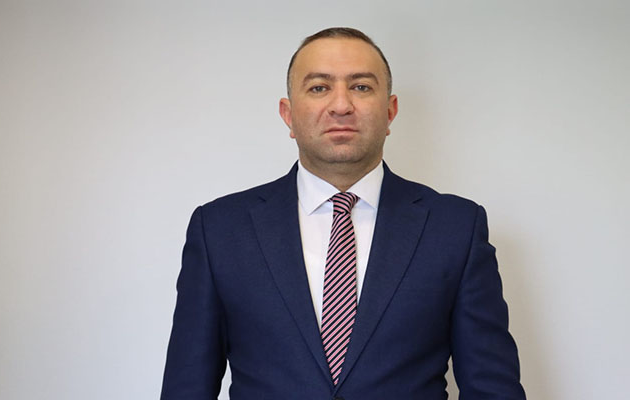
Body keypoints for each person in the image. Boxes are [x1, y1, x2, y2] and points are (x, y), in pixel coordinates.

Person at [161, 27, 526, 400]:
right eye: (319, 87)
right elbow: (186, 389)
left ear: (390, 111)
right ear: (288, 114)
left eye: (361, 87)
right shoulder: (220, 230)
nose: (341, 106)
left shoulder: (455, 228)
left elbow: (492, 389)